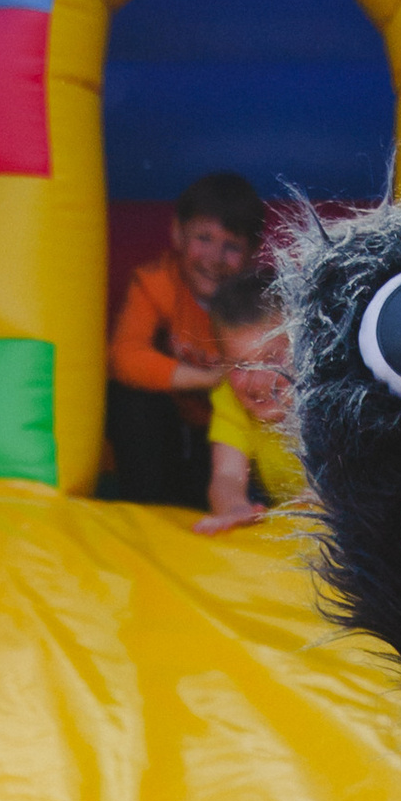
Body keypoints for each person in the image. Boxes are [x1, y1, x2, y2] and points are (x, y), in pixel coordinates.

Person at [106, 171, 265, 507]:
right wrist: (208, 378)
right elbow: (124, 356)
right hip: (170, 425)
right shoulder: (157, 283)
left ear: (251, 253)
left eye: (232, 246)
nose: (215, 258)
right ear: (177, 233)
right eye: (203, 238)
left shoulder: (254, 304)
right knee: (128, 397)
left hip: (229, 435)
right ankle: (145, 508)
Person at [196, 267, 302, 536]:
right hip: (285, 510)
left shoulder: (327, 393)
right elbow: (227, 476)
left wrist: (308, 506)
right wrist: (234, 508)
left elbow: (346, 482)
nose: (258, 382)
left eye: (273, 359)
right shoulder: (230, 398)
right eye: (241, 366)